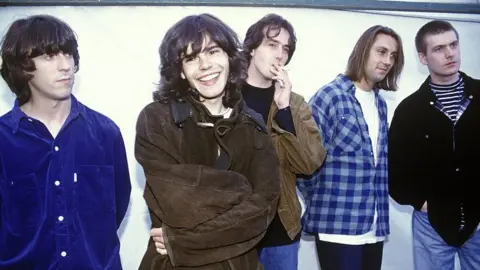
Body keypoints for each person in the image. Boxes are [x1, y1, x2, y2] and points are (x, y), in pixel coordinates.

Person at [135, 13, 281, 269]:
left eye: (213, 52)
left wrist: (179, 241)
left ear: (229, 57)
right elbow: (176, 200)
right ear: (180, 71)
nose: (205, 65)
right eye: (191, 59)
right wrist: (243, 190)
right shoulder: (156, 118)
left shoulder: (254, 125)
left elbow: (263, 209)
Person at [0, 14, 131, 269]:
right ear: (22, 66)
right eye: (49, 56)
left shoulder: (106, 134)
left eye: (68, 54)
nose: (65, 66)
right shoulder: (3, 140)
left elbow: (117, 206)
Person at [297, 25, 404, 270]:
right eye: (382, 51)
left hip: (374, 228)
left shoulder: (380, 104)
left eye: (393, 56)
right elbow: (305, 162)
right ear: (364, 51)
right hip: (338, 229)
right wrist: (325, 201)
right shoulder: (330, 96)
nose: (387, 60)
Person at [389, 20, 480, 270]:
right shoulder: (409, 111)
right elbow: (395, 172)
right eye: (439, 49)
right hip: (432, 224)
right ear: (423, 57)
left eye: (453, 44)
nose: (450, 53)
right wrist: (423, 204)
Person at [241, 13, 326, 270]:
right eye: (272, 44)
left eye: (285, 49)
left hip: (281, 230)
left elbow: (309, 163)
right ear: (252, 48)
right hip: (235, 229)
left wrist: (284, 109)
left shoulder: (295, 102)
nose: (280, 55)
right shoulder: (225, 98)